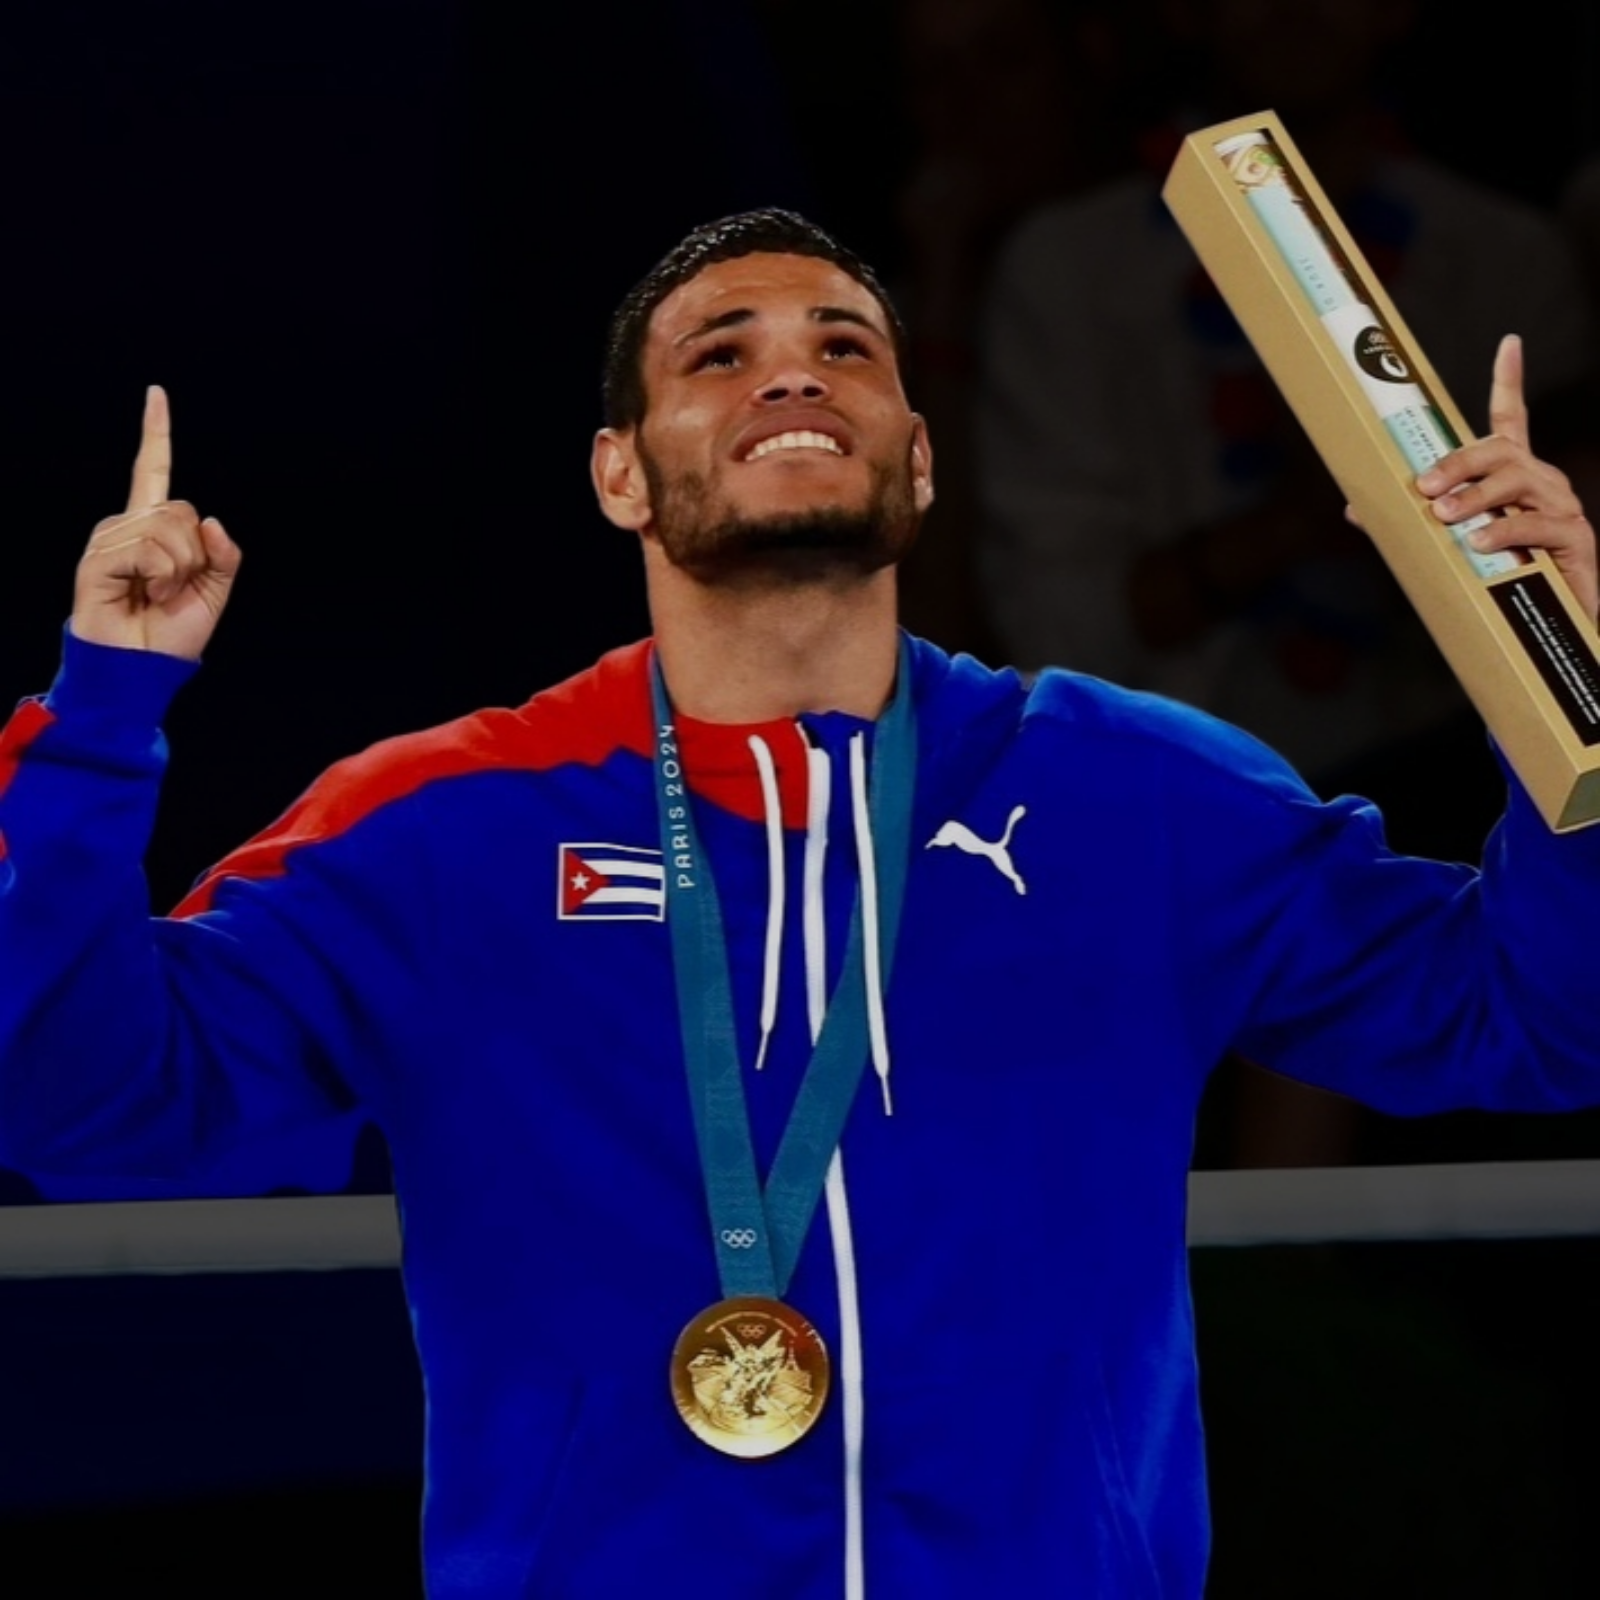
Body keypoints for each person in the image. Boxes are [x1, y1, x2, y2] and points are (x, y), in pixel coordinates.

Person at [1, 209, 1597, 1597]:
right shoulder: (440, 827)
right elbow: (87, 1108)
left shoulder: (1136, 798)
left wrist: (1565, 688)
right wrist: (96, 723)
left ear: (916, 455)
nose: (792, 371)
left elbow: (1537, 1027)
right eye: (717, 354)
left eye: (849, 345)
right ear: (619, 474)